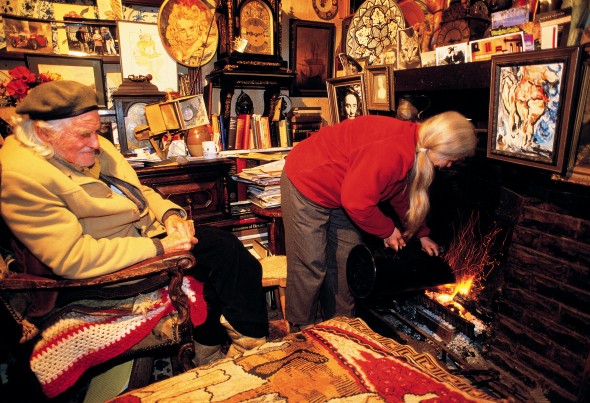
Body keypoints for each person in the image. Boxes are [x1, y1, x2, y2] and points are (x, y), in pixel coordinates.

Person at [0, 81, 268, 363]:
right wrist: (160, 248)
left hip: (145, 234)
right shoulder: (20, 176)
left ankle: (212, 346)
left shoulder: (82, 143)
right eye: (84, 135)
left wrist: (170, 215)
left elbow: (138, 191)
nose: (96, 143)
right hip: (109, 262)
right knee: (225, 255)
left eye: (96, 131)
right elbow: (72, 258)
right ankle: (245, 347)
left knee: (225, 248)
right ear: (43, 133)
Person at [280, 112, 477, 328]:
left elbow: (398, 193)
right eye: (451, 159)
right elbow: (356, 202)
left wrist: (422, 234)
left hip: (345, 190)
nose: (449, 165)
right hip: (307, 180)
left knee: (346, 263)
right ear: (440, 147)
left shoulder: (417, 146)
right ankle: (301, 330)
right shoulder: (393, 150)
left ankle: (342, 327)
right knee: (311, 263)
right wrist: (386, 230)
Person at [164, 0, 217, 67]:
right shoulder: (176, 52)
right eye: (182, 30)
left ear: (199, 26)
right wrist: (194, 47)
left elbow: (215, 41)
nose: (188, 34)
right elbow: (183, 59)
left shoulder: (202, 38)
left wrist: (207, 50)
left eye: (192, 28)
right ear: (175, 32)